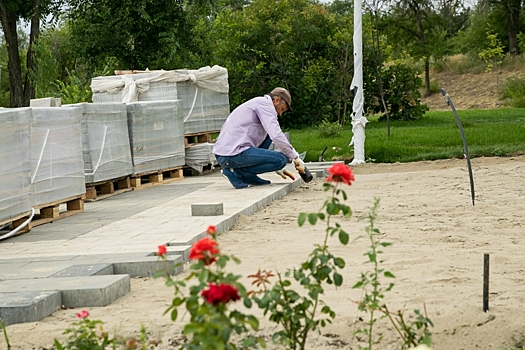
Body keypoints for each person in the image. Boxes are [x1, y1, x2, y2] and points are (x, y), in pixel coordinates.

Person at [213, 87, 305, 189]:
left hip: (228, 152)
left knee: (267, 137)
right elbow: (276, 135)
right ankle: (236, 172)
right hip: (230, 155)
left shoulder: (259, 103)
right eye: (282, 109)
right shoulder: (266, 106)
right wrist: (295, 157)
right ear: (277, 100)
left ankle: (247, 176)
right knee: (280, 160)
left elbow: (271, 135)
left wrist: (272, 165)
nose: (280, 114)